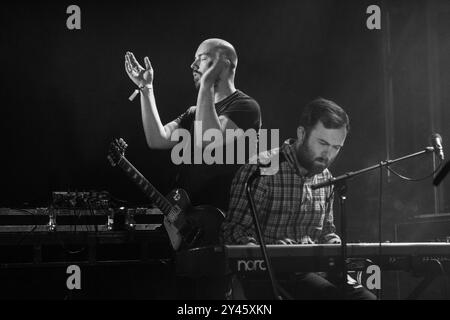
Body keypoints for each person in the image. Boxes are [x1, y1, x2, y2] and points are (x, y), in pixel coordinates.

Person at [222, 98, 376, 300]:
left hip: (318, 271)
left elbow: (327, 231)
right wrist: (272, 251)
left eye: (336, 147)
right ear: (302, 133)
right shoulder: (261, 169)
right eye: (322, 143)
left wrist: (334, 243)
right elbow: (234, 232)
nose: (328, 153)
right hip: (271, 275)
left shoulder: (327, 178)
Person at [124, 39, 261, 213]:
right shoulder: (194, 112)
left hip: (226, 219)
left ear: (224, 64)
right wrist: (146, 88)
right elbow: (157, 139)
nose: (192, 65)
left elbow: (209, 138)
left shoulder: (246, 107)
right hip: (194, 218)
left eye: (202, 58)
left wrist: (207, 83)